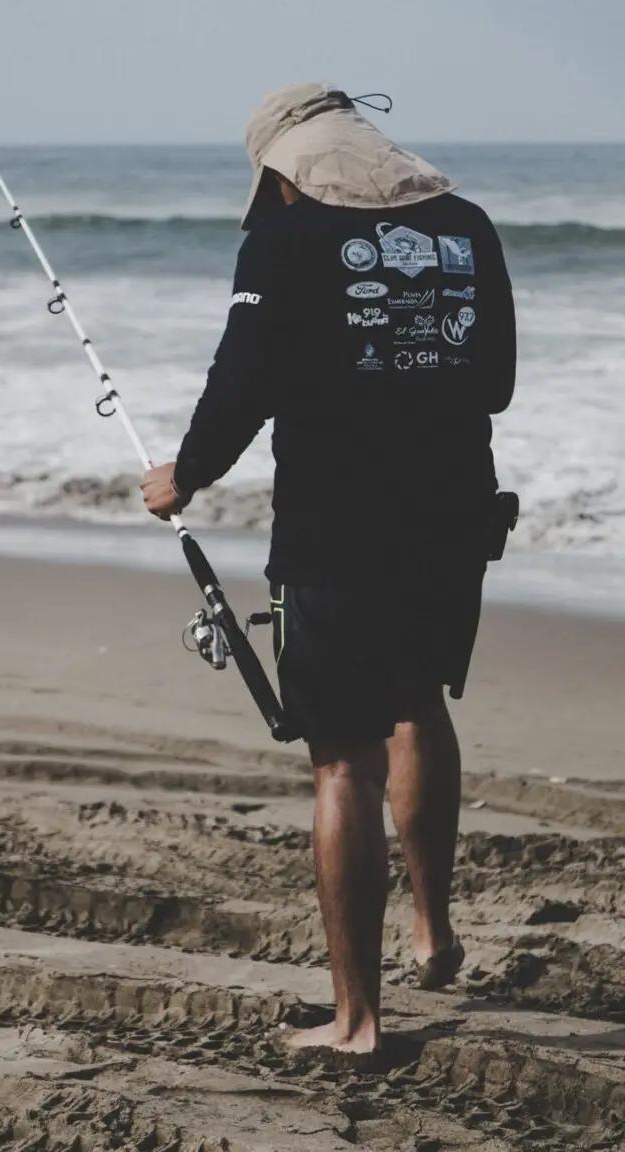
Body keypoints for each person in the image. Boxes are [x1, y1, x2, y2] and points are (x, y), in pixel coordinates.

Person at [142, 83, 516, 1058]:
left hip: (338, 528)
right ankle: (434, 937)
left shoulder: (284, 241)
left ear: (285, 175)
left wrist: (183, 477)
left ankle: (357, 1022)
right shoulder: (466, 226)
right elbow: (496, 381)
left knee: (343, 754)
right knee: (421, 705)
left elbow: (242, 385)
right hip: (453, 515)